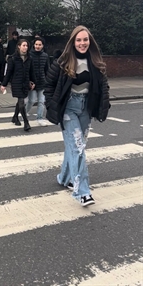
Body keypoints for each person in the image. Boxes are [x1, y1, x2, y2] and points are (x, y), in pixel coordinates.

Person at [44, 26, 110, 207]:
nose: (82, 43)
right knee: (78, 147)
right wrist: (51, 105)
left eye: (85, 40)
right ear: (73, 42)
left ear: (90, 41)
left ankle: (65, 177)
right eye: (79, 40)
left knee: (75, 146)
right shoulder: (62, 62)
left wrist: (104, 104)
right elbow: (49, 86)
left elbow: (104, 86)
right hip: (68, 108)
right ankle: (83, 192)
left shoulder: (95, 61)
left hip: (86, 108)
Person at [1, 39, 36, 131]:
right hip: (16, 82)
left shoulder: (29, 58)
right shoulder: (12, 58)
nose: (25, 47)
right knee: (21, 101)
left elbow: (31, 72)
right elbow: (8, 73)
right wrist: (3, 84)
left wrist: (33, 82)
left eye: (27, 46)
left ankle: (15, 117)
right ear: (19, 46)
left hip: (25, 83)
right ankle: (26, 122)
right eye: (24, 45)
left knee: (20, 101)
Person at [26, 37, 50, 126]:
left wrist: (48, 81)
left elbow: (47, 69)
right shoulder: (29, 55)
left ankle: (40, 118)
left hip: (42, 81)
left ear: (42, 46)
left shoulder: (45, 56)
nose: (38, 46)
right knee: (31, 100)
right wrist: (28, 81)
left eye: (39, 45)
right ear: (34, 45)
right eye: (36, 44)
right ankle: (24, 113)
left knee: (41, 101)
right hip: (32, 82)